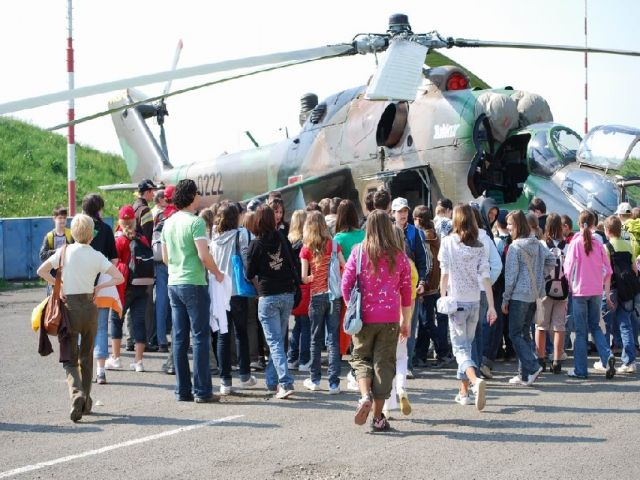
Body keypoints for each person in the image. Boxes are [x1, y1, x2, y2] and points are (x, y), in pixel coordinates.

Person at [37, 214, 124, 422]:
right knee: (86, 356)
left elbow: (42, 270)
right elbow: (118, 277)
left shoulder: (64, 251)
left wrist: (59, 286)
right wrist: (99, 287)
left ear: (73, 233)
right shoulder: (96, 255)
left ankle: (77, 394)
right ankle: (86, 402)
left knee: (69, 356)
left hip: (70, 309)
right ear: (91, 235)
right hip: (90, 308)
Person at [342, 210, 412, 431]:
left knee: (361, 358)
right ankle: (378, 417)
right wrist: (406, 321)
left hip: (363, 318)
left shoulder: (358, 252)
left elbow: (346, 284)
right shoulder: (399, 256)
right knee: (384, 364)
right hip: (390, 319)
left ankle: (365, 396)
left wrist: (351, 307)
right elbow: (407, 293)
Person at [161, 179, 224, 403]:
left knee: (179, 338)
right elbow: (203, 255)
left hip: (174, 282)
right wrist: (217, 272)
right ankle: (203, 390)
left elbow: (165, 258)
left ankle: (183, 390)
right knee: (200, 337)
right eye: (197, 193)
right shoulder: (196, 222)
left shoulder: (168, 222)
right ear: (191, 196)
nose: (199, 196)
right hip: (194, 282)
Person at [438, 204, 497, 410]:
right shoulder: (479, 245)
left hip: (456, 303)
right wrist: (491, 306)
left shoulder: (448, 242)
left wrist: (442, 297)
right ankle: (463, 392)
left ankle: (474, 381)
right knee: (467, 347)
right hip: (475, 302)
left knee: (460, 349)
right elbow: (486, 276)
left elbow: (444, 273)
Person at [246, 204, 298, 399]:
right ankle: (272, 381)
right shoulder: (282, 238)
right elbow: (292, 262)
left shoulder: (255, 244)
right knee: (277, 342)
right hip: (287, 294)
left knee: (275, 342)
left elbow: (249, 273)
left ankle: (285, 382)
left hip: (268, 295)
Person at [502, 210, 555, 386]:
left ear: (517, 225)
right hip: (534, 295)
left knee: (515, 334)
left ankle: (532, 366)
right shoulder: (537, 244)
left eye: (510, 224)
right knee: (524, 334)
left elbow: (510, 277)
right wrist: (541, 277)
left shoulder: (515, 247)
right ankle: (524, 375)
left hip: (519, 296)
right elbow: (552, 261)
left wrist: (505, 299)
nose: (508, 227)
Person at [210, 203, 257, 394]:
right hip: (236, 289)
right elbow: (248, 258)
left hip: (219, 290)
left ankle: (225, 381)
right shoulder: (241, 234)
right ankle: (244, 375)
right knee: (241, 332)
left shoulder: (214, 238)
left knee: (223, 334)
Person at [563, 210, 615, 379]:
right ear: (593, 224)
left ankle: (580, 370)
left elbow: (568, 268)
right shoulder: (599, 244)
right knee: (595, 327)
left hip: (579, 291)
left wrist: (570, 285)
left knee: (580, 332)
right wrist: (604, 287)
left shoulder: (575, 243)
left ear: (578, 224)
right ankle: (607, 356)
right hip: (596, 291)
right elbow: (608, 270)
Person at [300, 211, 345, 393]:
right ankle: (334, 383)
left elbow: (304, 278)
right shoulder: (334, 245)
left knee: (315, 339)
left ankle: (315, 380)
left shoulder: (306, 248)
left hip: (317, 296)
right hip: (334, 296)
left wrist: (313, 277)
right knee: (333, 339)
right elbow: (345, 266)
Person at [106, 205, 151, 373]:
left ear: (120, 221)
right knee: (139, 321)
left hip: (123, 286)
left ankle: (116, 358)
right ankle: (139, 362)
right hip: (142, 285)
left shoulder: (118, 240)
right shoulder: (142, 238)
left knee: (116, 319)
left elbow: (113, 262)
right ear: (134, 220)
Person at [82, 193, 118, 385]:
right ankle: (101, 371)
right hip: (102, 285)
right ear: (99, 209)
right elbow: (115, 260)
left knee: (81, 327)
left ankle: (82, 369)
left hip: (81, 284)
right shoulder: (106, 229)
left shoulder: (79, 228)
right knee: (102, 327)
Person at [391, 197, 427, 377]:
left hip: (411, 287)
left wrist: (422, 282)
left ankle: (407, 365)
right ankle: (392, 364)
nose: (403, 214)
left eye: (405, 211)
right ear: (393, 213)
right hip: (391, 289)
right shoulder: (388, 231)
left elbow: (423, 260)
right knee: (392, 328)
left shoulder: (415, 233)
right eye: (399, 211)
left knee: (409, 327)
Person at [413, 205, 452, 368]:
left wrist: (422, 283)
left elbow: (427, 263)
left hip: (427, 286)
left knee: (426, 323)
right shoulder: (435, 235)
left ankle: (443, 351)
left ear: (418, 220)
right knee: (426, 322)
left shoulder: (423, 237)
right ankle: (420, 355)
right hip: (436, 284)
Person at [603, 215, 637, 374]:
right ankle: (629, 361)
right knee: (626, 324)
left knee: (605, 324)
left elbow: (606, 273)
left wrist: (606, 292)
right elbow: (634, 269)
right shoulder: (628, 245)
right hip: (627, 290)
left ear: (607, 231)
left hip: (612, 289)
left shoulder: (607, 247)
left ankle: (605, 358)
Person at [535, 213, 569, 374]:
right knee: (559, 326)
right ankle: (557, 361)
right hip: (563, 290)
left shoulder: (542, 245)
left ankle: (540, 360)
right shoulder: (567, 246)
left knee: (541, 326)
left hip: (545, 290)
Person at [287, 210, 311, 372]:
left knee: (298, 324)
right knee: (306, 324)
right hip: (306, 286)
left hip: (293, 288)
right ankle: (304, 360)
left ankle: (292, 357)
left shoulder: (288, 241)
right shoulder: (306, 244)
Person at [39, 205, 74, 295]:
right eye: (60, 218)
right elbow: (42, 255)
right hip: (53, 275)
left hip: (68, 275)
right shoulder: (49, 236)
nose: (62, 220)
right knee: (53, 299)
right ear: (54, 218)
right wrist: (58, 251)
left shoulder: (71, 234)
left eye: (64, 218)